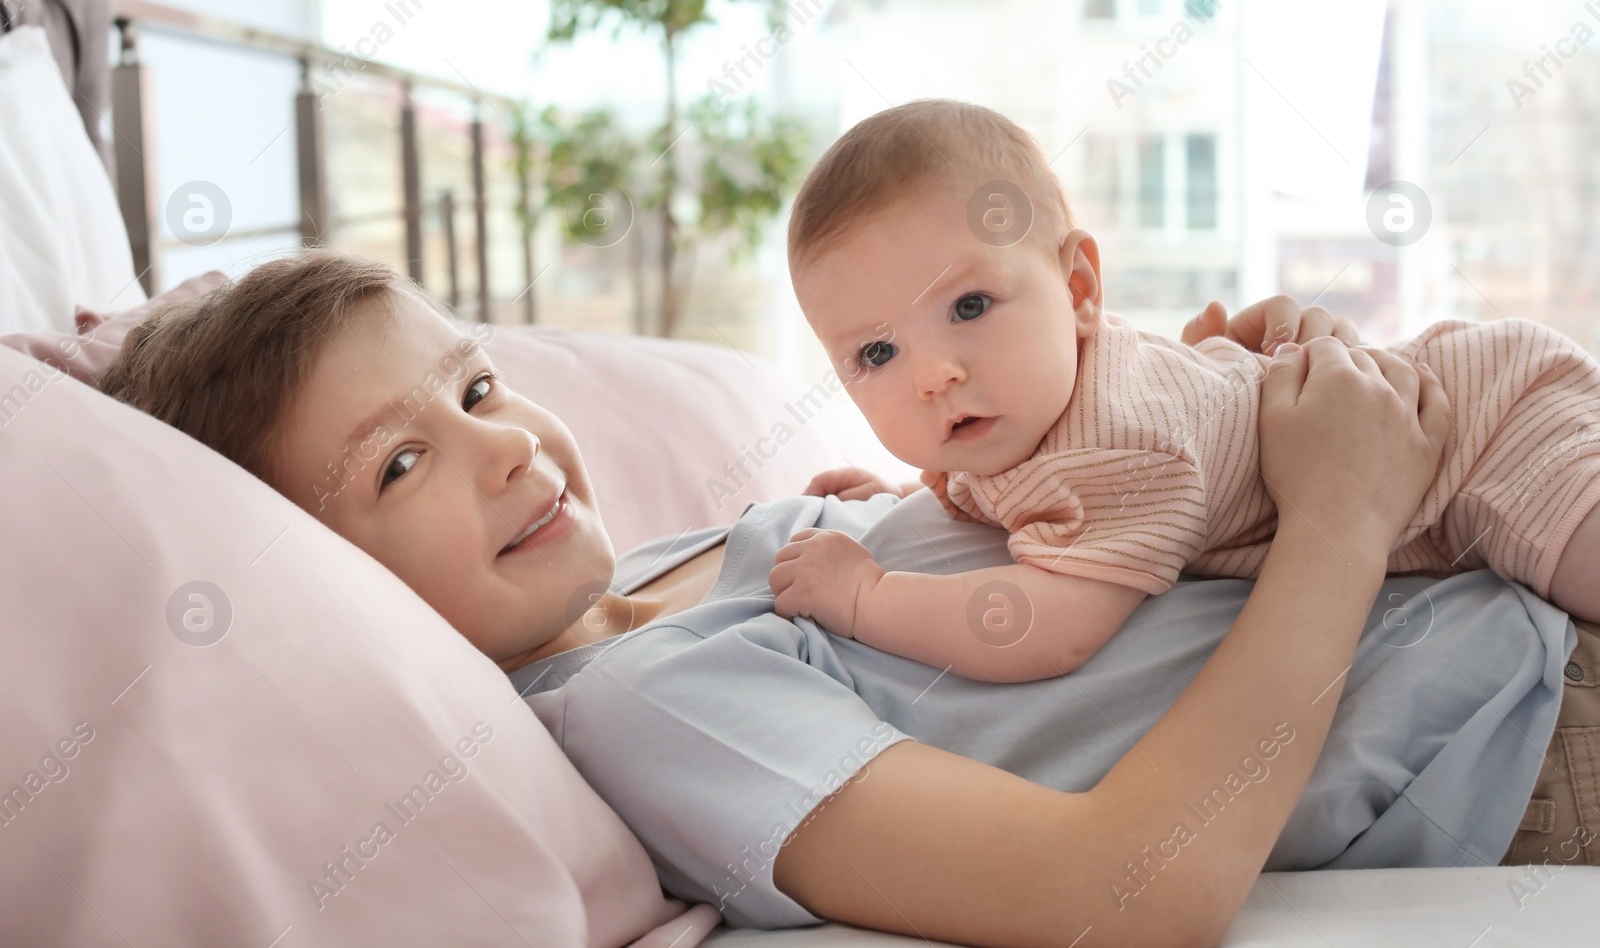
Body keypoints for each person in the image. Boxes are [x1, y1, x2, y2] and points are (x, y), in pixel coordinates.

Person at [96, 251, 1595, 947]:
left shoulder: (671, 563)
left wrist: (1173, 405)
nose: (503, 446)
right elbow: (1123, 892)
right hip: (1527, 712)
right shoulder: (637, 701)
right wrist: (1339, 504)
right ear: (320, 578)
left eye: (476, 385)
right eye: (402, 459)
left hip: (1471, 525)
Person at [776, 99, 1600, 683]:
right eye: (877, 351)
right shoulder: (1014, 414)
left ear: (1076, 290)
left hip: (1490, 432)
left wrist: (869, 593)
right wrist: (900, 506)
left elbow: (1047, 629)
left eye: (969, 306)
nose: (933, 374)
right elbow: (1012, 499)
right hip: (1439, 407)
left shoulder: (1113, 443)